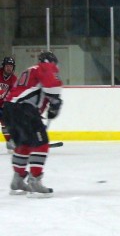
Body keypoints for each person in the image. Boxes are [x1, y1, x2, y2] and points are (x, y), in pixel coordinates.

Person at [3, 51, 63, 198]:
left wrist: (50, 106)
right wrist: (56, 103)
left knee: (24, 145)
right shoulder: (45, 67)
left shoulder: (29, 71)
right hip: (24, 110)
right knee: (41, 144)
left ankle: (17, 180)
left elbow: (38, 92)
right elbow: (52, 87)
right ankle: (35, 181)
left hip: (8, 109)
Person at [0, 57, 18, 152]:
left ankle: (10, 142)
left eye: (11, 66)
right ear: (3, 66)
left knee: (6, 122)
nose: (9, 68)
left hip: (3, 105)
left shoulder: (14, 79)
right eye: (7, 66)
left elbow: (13, 94)